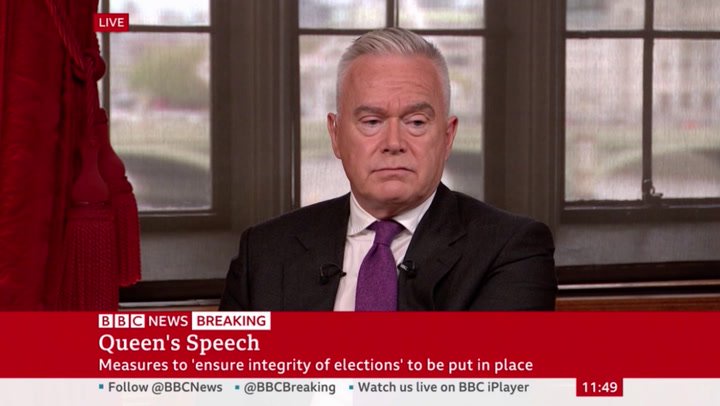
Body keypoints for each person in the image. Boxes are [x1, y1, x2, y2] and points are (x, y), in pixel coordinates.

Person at [220, 27, 556, 311]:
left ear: (447, 137)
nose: (393, 143)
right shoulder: (263, 252)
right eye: (371, 122)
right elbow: (227, 368)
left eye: (416, 122)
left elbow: (487, 369)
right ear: (335, 135)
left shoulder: (512, 250)